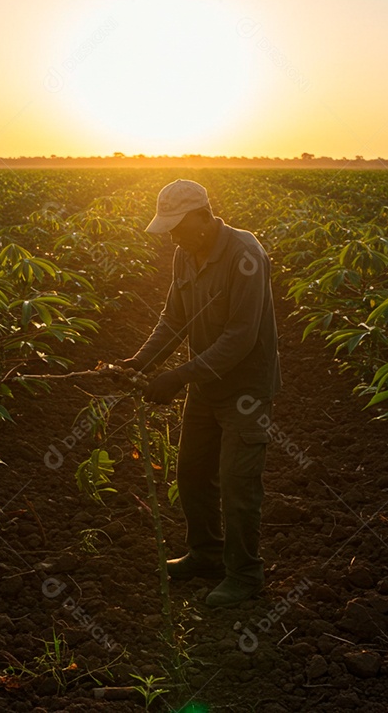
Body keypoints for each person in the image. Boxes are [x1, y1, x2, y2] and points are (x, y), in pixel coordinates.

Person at [121, 179, 282, 608]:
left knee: (237, 483)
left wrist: (178, 377)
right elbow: (173, 318)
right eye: (167, 229)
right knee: (191, 472)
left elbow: (240, 337)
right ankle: (206, 554)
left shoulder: (246, 256)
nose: (172, 237)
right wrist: (140, 363)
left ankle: (245, 574)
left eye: (177, 227)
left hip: (246, 390)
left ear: (205, 218)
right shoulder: (185, 254)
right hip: (207, 386)